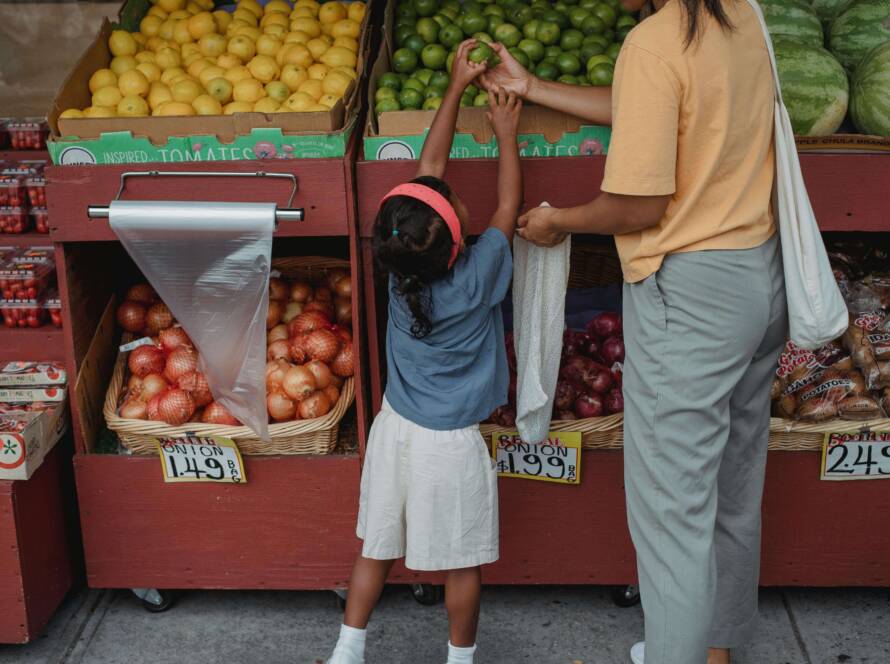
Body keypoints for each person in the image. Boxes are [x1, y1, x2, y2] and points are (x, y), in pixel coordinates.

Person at [481, 0, 786, 662]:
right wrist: (533, 87)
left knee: (671, 519)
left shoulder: (652, 42)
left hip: (692, 298)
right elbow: (656, 108)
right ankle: (718, 649)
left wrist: (559, 220)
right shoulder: (743, 16)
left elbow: (638, 205)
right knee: (733, 494)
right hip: (759, 278)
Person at [326, 40, 523, 664]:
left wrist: (453, 86)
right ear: (456, 236)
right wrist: (505, 134)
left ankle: (347, 650)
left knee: (375, 548)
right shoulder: (480, 270)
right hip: (451, 446)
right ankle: (459, 660)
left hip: (395, 431)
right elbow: (510, 207)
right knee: (461, 564)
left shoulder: (396, 270)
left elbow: (427, 167)